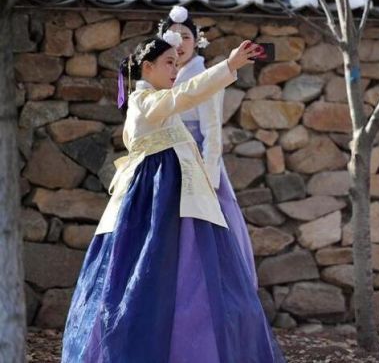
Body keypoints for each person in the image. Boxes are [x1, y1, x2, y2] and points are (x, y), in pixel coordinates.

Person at [61, 33, 287, 363]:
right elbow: (185, 95)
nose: (175, 70)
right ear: (147, 67)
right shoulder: (144, 101)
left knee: (190, 275)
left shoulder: (158, 102)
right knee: (152, 271)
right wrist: (228, 66)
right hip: (156, 201)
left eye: (178, 64)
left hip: (177, 199)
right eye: (169, 63)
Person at [158, 5, 257, 288]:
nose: (179, 43)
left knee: (201, 234)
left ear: (197, 41)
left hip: (196, 164)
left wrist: (209, 178)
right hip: (166, 162)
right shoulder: (160, 77)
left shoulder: (204, 74)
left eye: (186, 37)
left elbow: (212, 131)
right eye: (173, 36)